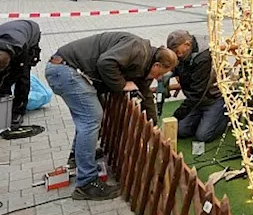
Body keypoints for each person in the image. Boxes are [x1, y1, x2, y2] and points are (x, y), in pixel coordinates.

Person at [46, 32, 177, 201]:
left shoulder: (145, 64)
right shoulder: (137, 49)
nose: (158, 78)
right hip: (65, 70)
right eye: (160, 73)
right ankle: (86, 183)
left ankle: (77, 158)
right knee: (91, 118)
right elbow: (105, 63)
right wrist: (122, 85)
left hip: (65, 69)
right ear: (157, 64)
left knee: (86, 119)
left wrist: (153, 126)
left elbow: (146, 95)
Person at [0, 19, 41, 127]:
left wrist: (5, 89)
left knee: (22, 78)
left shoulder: (20, 50)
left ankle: (18, 111)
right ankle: (0, 103)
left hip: (31, 30)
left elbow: (21, 78)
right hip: (10, 33)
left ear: (10, 62)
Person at [166, 30, 229, 143]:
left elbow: (196, 94)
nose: (177, 55)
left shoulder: (203, 56)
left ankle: (228, 116)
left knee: (203, 136)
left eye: (178, 52)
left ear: (187, 44)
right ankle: (203, 119)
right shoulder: (184, 52)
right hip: (199, 100)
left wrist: (176, 116)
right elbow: (177, 67)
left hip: (214, 98)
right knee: (181, 131)